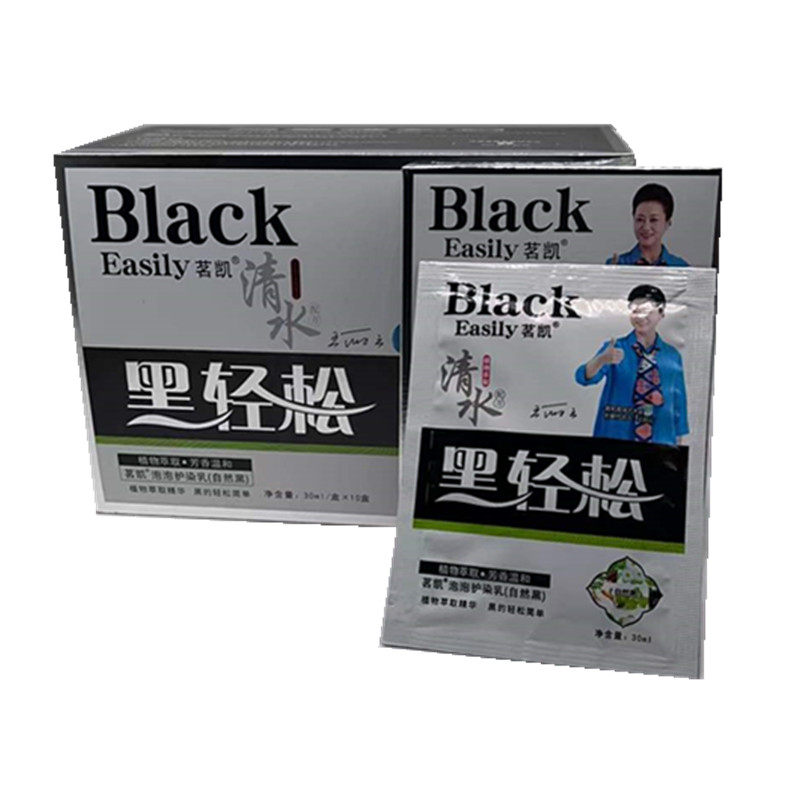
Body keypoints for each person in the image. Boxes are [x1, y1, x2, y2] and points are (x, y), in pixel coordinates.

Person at [575, 284, 688, 445]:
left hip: (659, 440)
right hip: (615, 437)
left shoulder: (672, 355)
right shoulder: (615, 347)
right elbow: (583, 377)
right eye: (635, 311)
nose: (641, 317)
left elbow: (679, 403)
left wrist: (678, 446)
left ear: (661, 313)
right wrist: (601, 359)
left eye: (647, 311)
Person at [608, 183, 689, 266]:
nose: (646, 227)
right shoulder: (617, 264)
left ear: (668, 223)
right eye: (640, 219)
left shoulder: (681, 268)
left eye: (653, 220)